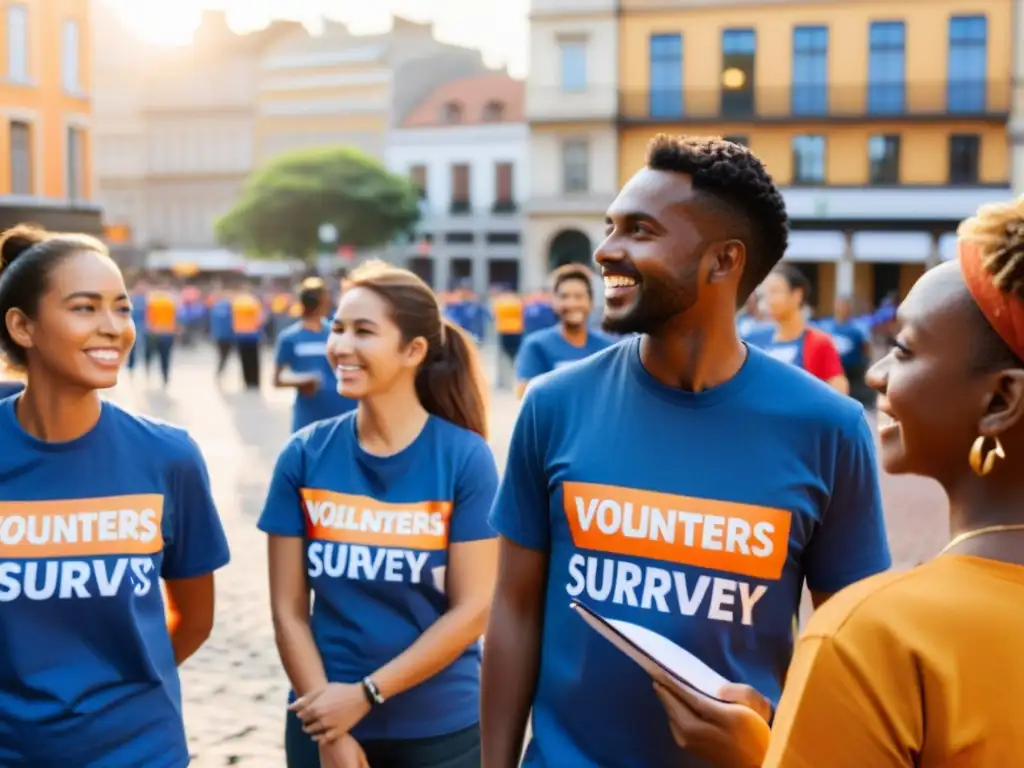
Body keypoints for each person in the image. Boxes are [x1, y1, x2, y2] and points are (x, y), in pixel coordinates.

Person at [480, 135, 891, 768]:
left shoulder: (829, 427)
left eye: (640, 231)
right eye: (611, 226)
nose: (606, 250)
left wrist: (772, 739)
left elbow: (850, 651)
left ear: (723, 261)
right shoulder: (553, 405)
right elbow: (513, 607)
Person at [654, 196, 1024, 767]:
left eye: (903, 349)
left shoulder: (869, 637)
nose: (876, 374)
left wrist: (760, 753)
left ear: (1000, 399)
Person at [0, 224, 231, 766]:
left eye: (122, 309)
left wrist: (123, 695)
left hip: (140, 750)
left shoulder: (168, 456)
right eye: (85, 308)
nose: (113, 329)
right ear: (22, 326)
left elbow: (195, 619)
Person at [258, 260, 499, 768]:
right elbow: (288, 609)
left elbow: (473, 608)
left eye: (363, 331)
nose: (341, 346)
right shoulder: (303, 456)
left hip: (439, 728)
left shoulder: (464, 459)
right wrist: (328, 727)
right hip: (320, 717)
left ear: (413, 350)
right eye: (337, 328)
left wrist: (366, 695)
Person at [515, 263, 615, 398]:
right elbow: (526, 397)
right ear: (554, 302)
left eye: (579, 297)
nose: (571, 303)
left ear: (591, 302)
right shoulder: (536, 345)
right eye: (564, 296)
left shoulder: (607, 349)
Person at [745, 263, 847, 393]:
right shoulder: (756, 341)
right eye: (765, 293)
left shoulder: (819, 342)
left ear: (797, 295)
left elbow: (840, 394)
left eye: (775, 291)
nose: (768, 299)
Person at [273, 277, 356, 433]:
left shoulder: (338, 333)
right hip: (309, 419)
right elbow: (277, 380)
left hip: (346, 413)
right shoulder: (290, 337)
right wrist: (302, 380)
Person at [817, 294, 874, 406]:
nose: (841, 308)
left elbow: (866, 347)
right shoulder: (825, 326)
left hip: (852, 370)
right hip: (832, 369)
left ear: (849, 308)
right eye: (839, 305)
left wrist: (865, 363)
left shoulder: (858, 327)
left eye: (844, 305)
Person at [145, 278, 178, 388]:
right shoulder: (172, 301)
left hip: (155, 332)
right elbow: (176, 318)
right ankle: (165, 376)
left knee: (151, 354)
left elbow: (149, 318)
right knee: (166, 356)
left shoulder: (152, 301)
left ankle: (148, 371)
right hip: (168, 333)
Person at [231, 282, 264, 390]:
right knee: (254, 360)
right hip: (252, 334)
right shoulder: (254, 302)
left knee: (244, 359)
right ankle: (254, 381)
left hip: (240, 334)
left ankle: (247, 382)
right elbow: (260, 318)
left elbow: (232, 317)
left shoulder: (237, 302)